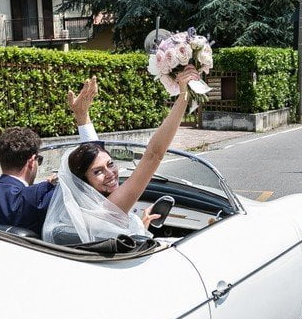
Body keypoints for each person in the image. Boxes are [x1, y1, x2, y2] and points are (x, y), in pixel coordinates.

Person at [43, 66, 196, 244]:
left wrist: (82, 115)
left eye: (110, 164)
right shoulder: (109, 209)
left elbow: (92, 155)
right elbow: (154, 154)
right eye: (98, 172)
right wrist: (183, 96)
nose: (110, 173)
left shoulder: (80, 206)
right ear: (84, 181)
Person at [0, 77, 100, 234]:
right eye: (39, 160)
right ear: (31, 162)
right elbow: (95, 170)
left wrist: (44, 186)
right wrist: (82, 115)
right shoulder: (37, 198)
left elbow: (3, 190)